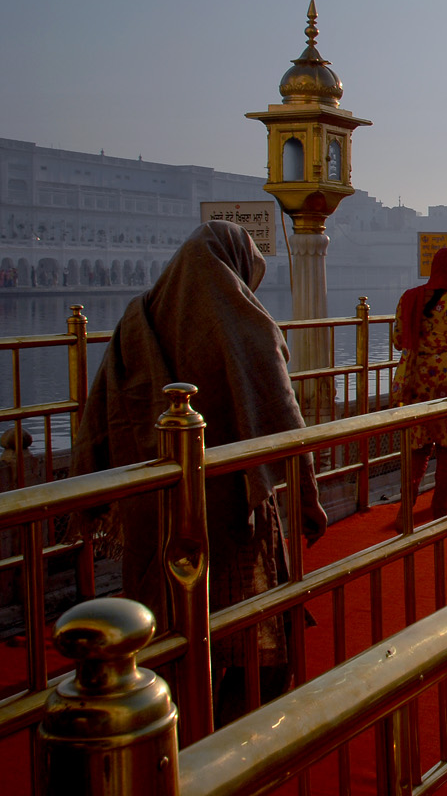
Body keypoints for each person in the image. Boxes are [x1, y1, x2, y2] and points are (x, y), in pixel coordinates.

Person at [74, 220, 327, 724]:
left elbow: (100, 412)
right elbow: (284, 418)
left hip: (154, 504)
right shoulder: (245, 323)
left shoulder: (137, 318)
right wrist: (306, 497)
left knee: (164, 615)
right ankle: (228, 736)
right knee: (238, 621)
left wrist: (91, 494)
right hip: (232, 509)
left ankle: (166, 723)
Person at [392, 246, 447, 518]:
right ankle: (440, 509)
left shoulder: (409, 298)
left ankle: (405, 511)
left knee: (418, 447)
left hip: (415, 380)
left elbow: (397, 340)